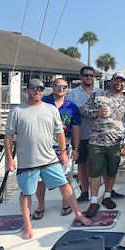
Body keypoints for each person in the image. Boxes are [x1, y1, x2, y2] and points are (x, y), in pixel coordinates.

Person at [4, 78, 91, 240]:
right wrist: (9, 159)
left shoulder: (51, 109)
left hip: (50, 158)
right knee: (26, 193)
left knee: (65, 184)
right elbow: (9, 136)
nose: (37, 92)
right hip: (27, 161)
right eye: (34, 88)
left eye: (40, 89)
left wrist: (64, 152)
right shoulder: (17, 111)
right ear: (27, 90)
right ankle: (28, 225)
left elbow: (60, 133)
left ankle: (78, 213)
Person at [82, 72, 125, 217]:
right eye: (117, 80)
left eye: (122, 81)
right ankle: (93, 201)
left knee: (112, 171)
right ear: (111, 82)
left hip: (116, 143)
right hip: (96, 142)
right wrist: (96, 112)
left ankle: (107, 196)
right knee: (95, 172)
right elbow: (84, 110)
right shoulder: (98, 95)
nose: (119, 82)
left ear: (124, 84)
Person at [31, 78, 81, 219]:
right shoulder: (42, 101)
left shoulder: (72, 107)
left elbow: (76, 128)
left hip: (64, 147)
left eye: (64, 87)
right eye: (58, 86)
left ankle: (66, 203)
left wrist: (76, 148)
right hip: (42, 146)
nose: (61, 89)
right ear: (52, 86)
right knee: (40, 178)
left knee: (65, 176)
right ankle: (41, 205)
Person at [68, 66, 101, 202]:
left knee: (100, 164)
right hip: (80, 134)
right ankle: (84, 191)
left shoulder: (101, 93)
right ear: (81, 77)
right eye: (86, 75)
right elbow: (72, 112)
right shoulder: (72, 94)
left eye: (91, 75)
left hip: (99, 135)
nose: (89, 77)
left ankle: (105, 192)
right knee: (83, 164)